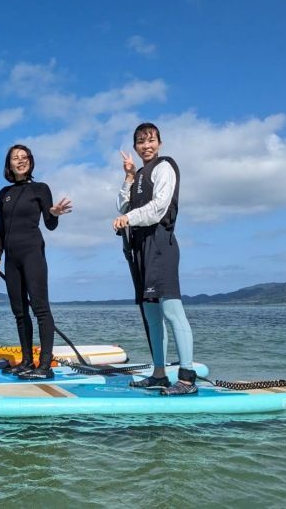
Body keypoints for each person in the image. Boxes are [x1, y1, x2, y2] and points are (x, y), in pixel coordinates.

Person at [112, 123, 197, 395]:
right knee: (151, 315)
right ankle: (159, 373)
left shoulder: (165, 167)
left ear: (159, 142)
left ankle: (186, 379)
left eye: (150, 140)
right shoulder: (138, 176)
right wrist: (127, 177)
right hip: (139, 247)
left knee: (172, 311)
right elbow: (123, 206)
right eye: (140, 141)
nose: (145, 145)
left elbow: (159, 208)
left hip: (161, 243)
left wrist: (129, 218)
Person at [0, 145, 72, 380]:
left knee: (40, 309)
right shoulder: (4, 192)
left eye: (24, 157)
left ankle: (44, 367)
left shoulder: (40, 188)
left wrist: (54, 213)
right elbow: (1, 228)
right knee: (19, 311)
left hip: (32, 254)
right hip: (11, 259)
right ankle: (26, 361)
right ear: (9, 164)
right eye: (16, 158)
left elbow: (50, 224)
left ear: (30, 162)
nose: (20, 160)